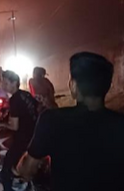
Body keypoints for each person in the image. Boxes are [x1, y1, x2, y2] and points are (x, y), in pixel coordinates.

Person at [18, 52, 124, 191]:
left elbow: (26, 169)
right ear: (108, 86)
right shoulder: (119, 124)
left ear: (73, 86)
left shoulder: (52, 120)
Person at [0, 70, 38, 191]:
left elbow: (14, 126)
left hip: (23, 138)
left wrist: (3, 124)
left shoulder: (14, 100)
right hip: (35, 134)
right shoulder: (25, 95)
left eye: (6, 83)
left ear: (14, 83)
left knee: (5, 170)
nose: (3, 86)